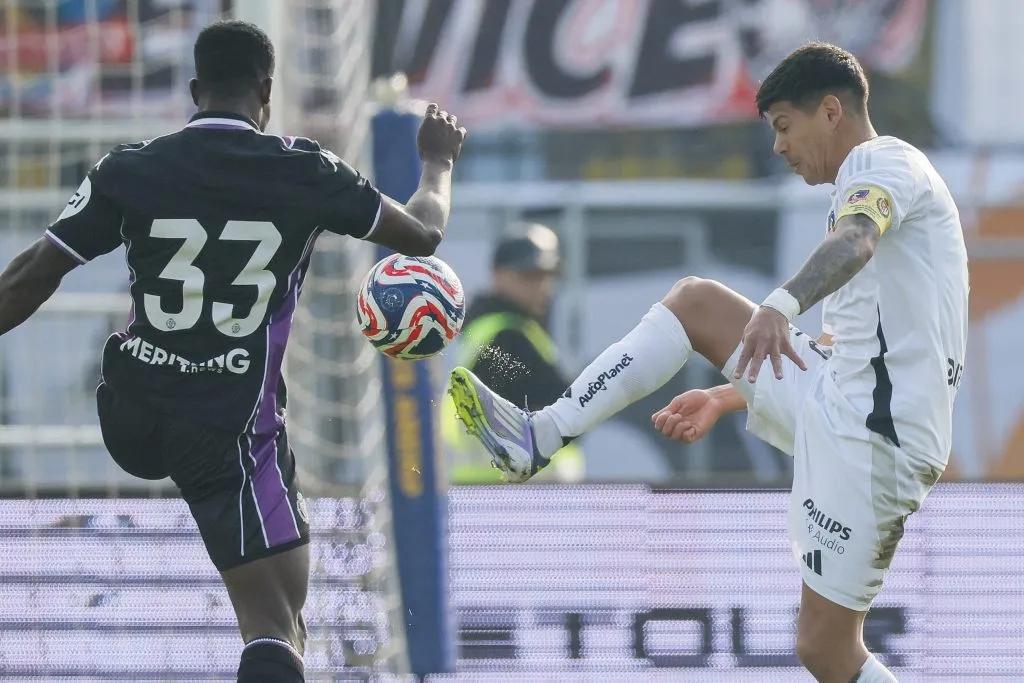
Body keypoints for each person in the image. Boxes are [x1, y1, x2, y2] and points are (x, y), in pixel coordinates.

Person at [448, 41, 966, 683]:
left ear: (831, 111)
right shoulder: (864, 182)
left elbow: (856, 241)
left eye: (783, 126)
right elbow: (845, 346)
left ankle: (541, 436)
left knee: (826, 651)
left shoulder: (883, 165)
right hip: (845, 404)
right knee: (696, 303)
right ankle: (541, 434)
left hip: (875, 436)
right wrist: (728, 395)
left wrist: (780, 303)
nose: (777, 147)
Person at [0, 20, 465, 683]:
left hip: (133, 411)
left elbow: (30, 275)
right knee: (274, 620)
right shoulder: (305, 170)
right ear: (267, 91)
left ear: (195, 89)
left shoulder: (130, 168)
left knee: (288, 597)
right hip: (224, 425)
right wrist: (438, 160)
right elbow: (422, 234)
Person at [444, 223, 582, 483]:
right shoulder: (507, 338)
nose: (542, 285)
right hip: (516, 493)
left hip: (496, 487)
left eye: (546, 275)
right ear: (497, 274)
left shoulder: (492, 328)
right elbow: (564, 407)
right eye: (528, 275)